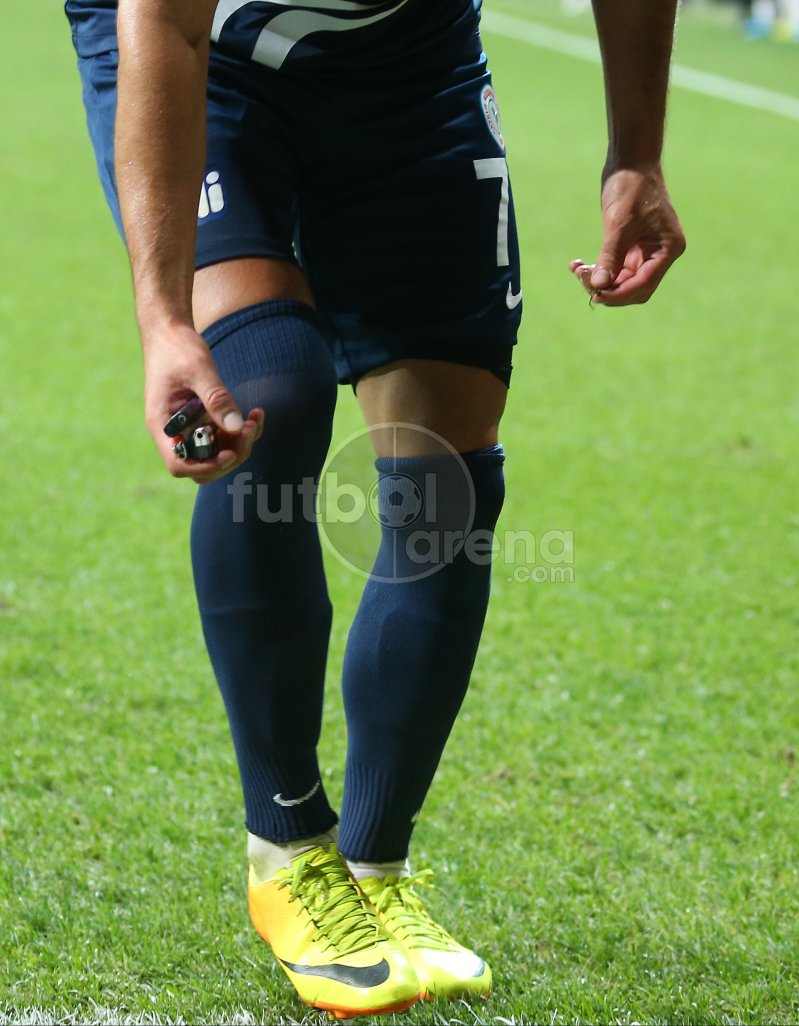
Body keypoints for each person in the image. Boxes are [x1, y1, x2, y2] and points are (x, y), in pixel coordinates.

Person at [65, 0, 685, 1017]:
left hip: (409, 60)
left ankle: (372, 870)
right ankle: (286, 849)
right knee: (269, 391)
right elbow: (166, 26)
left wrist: (636, 156)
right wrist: (165, 320)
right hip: (210, 51)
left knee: (446, 480)